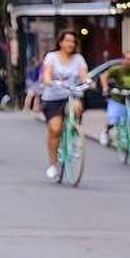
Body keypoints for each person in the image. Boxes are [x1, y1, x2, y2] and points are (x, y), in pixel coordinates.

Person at [37, 31, 90, 180]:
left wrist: (88, 82)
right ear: (60, 42)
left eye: (72, 41)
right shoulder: (51, 57)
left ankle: (73, 132)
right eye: (67, 41)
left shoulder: (78, 59)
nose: (70, 44)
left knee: (77, 107)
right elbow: (47, 73)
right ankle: (53, 164)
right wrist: (49, 81)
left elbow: (83, 75)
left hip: (72, 95)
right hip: (53, 97)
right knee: (55, 129)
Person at [104, 47, 130, 149]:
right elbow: (104, 77)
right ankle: (106, 132)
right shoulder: (117, 70)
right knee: (114, 119)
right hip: (118, 98)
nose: (129, 62)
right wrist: (105, 88)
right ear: (123, 59)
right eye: (127, 59)